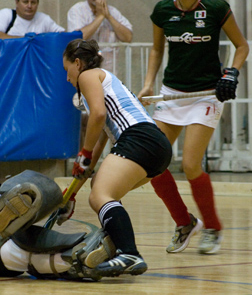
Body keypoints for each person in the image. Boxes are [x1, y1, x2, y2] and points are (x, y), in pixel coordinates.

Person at [137, 0, 249, 255]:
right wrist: (149, 84)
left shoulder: (216, 8)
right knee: (154, 164)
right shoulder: (163, 10)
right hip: (172, 94)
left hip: (206, 95)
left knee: (189, 164)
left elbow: (242, 47)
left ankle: (212, 227)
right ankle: (185, 223)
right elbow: (157, 49)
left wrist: (231, 73)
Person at [59, 39, 173, 277]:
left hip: (138, 139)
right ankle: (119, 245)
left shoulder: (87, 76)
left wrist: (84, 154)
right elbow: (100, 139)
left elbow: (98, 116)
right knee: (98, 191)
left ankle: (128, 252)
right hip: (156, 146)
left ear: (77, 63)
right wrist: (72, 194)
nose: (68, 78)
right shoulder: (103, 79)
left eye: (66, 70)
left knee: (101, 195)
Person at [67, 0, 133, 72]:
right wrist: (100, 16)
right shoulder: (77, 10)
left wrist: (108, 16)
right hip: (85, 71)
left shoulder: (113, 12)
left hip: (110, 72)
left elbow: (128, 38)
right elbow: (78, 38)